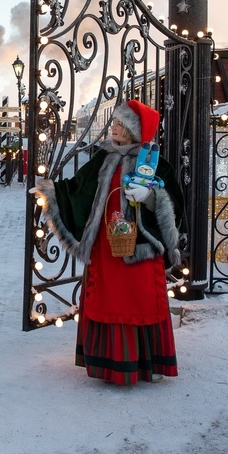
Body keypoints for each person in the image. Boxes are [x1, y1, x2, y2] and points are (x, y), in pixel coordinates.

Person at [30, 99, 184, 385]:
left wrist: (152, 198)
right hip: (106, 247)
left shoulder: (155, 164)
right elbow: (78, 188)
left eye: (119, 124)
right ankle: (107, 365)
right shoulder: (104, 158)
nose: (112, 128)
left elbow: (176, 206)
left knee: (140, 301)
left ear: (133, 131)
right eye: (114, 122)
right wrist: (50, 192)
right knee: (106, 298)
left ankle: (148, 362)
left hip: (140, 249)